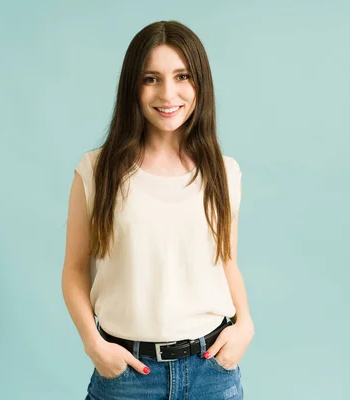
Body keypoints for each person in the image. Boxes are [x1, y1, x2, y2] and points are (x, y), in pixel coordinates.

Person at [62, 20, 255, 400]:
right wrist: (93, 343)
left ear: (200, 83)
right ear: (133, 86)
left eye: (182, 76)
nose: (168, 93)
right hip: (128, 375)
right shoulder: (97, 171)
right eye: (152, 78)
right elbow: (73, 269)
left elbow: (227, 260)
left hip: (211, 371)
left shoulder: (224, 171)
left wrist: (246, 325)